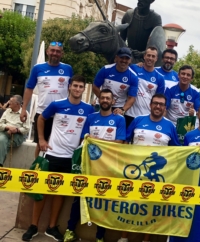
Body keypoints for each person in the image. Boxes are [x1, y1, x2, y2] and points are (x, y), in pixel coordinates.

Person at [22, 75, 94, 242]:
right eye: (75, 86)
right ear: (69, 87)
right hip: (52, 154)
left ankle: (52, 227)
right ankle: (33, 226)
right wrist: (41, 139)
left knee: (60, 193)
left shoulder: (89, 109)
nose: (77, 89)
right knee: (42, 191)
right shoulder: (57, 104)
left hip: (71, 158)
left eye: (80, 87)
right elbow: (41, 118)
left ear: (84, 89)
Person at [64, 89, 126, 242]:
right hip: (89, 166)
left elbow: (120, 143)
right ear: (99, 100)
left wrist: (98, 141)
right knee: (79, 199)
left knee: (103, 202)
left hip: (108, 167)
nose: (105, 100)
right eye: (103, 98)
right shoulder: (90, 117)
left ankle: (100, 237)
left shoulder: (119, 120)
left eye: (108, 98)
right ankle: (70, 230)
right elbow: (83, 140)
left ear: (113, 101)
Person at [122, 93, 180, 242]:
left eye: (161, 104)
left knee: (150, 207)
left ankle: (146, 239)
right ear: (150, 104)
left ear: (165, 108)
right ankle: (124, 237)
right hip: (134, 169)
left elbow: (176, 151)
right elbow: (125, 142)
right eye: (155, 103)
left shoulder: (170, 126)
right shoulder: (138, 120)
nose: (158, 106)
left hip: (159, 169)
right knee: (129, 205)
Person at [20, 41, 73, 159]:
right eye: (52, 50)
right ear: (47, 52)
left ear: (62, 54)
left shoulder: (68, 68)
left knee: (59, 144)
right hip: (42, 113)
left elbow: (72, 89)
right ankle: (37, 167)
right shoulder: (37, 68)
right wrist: (23, 109)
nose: (55, 53)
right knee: (40, 143)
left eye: (58, 51)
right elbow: (29, 88)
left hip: (62, 113)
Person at [92, 47, 138, 118]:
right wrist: (106, 99)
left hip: (118, 108)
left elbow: (132, 98)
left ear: (130, 60)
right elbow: (95, 87)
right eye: (122, 58)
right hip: (102, 104)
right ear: (116, 58)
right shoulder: (105, 69)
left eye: (127, 58)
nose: (124, 60)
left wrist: (122, 110)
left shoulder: (133, 76)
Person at [125, 46, 165, 127]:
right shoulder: (133, 68)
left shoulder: (160, 78)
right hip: (129, 114)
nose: (150, 58)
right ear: (144, 56)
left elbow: (159, 99)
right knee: (126, 139)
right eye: (148, 55)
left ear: (156, 59)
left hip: (146, 116)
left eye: (153, 56)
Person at [120, 0, 162, 64]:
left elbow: (156, 44)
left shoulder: (155, 18)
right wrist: (126, 50)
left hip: (145, 60)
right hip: (127, 57)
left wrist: (142, 53)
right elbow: (121, 39)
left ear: (152, 0)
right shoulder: (128, 15)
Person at [0, 95, 30, 166]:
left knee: (1, 141)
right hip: (5, 132)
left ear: (17, 104)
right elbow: (0, 124)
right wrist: (8, 127)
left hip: (17, 135)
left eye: (11, 101)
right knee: (2, 140)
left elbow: (26, 129)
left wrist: (16, 130)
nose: (8, 103)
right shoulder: (7, 111)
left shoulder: (25, 113)